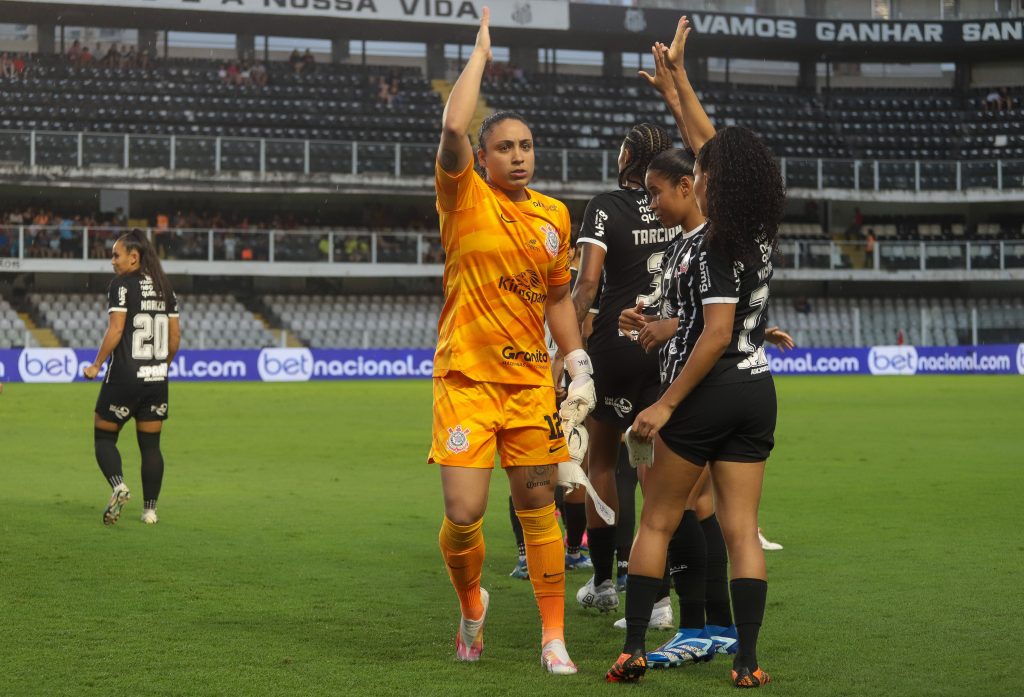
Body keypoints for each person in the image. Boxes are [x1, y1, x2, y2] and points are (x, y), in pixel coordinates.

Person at [607, 18, 786, 689]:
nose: (695, 171)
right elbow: (707, 145)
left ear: (711, 182)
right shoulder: (760, 224)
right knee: (743, 529)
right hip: (756, 385)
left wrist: (663, 404)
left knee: (656, 516)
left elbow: (711, 335)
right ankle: (747, 659)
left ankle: (631, 650)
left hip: (707, 386)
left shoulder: (714, 239)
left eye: (701, 172)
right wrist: (677, 81)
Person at [429, 8, 594, 675]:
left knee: (538, 505)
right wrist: (480, 56)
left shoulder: (555, 217)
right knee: (464, 513)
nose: (519, 155)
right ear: (483, 154)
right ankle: (472, 606)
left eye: (526, 146)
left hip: (529, 386)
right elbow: (450, 127)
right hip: (466, 381)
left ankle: (554, 637)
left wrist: (577, 359)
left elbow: (558, 295)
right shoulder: (463, 195)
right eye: (505, 147)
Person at [567, 120, 676, 617]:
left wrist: (564, 343)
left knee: (603, 462)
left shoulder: (605, 208)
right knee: (657, 469)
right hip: (671, 343)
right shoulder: (678, 203)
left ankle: (605, 582)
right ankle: (657, 599)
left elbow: (588, 285)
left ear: (626, 154)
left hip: (616, 340)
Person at [83, 229, 180, 526]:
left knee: (104, 436)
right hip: (156, 379)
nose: (112, 261)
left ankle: (118, 485)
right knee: (151, 446)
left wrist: (97, 364)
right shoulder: (166, 288)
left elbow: (115, 329)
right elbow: (175, 338)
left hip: (124, 377)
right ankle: (150, 510)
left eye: (116, 255)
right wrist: (160, 367)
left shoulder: (121, 286)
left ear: (133, 257)